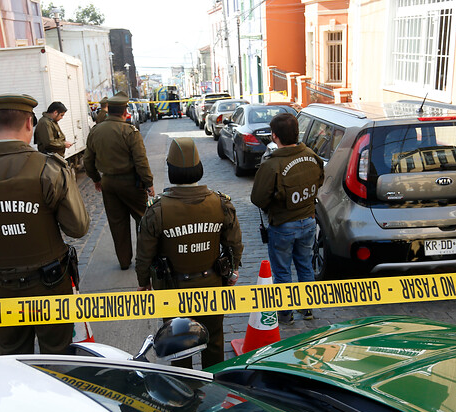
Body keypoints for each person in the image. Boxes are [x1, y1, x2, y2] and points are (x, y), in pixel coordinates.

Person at [0, 94, 89, 354]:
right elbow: (78, 227)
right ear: (29, 123)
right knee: (57, 353)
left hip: (0, 285)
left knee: (13, 356)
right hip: (49, 282)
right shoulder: (49, 169)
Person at [135, 138, 243, 369]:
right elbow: (234, 244)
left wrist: (144, 282)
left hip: (173, 290)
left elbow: (144, 254)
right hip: (212, 284)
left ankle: (184, 391)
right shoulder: (220, 204)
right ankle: (214, 386)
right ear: (199, 168)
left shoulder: (157, 211)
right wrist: (233, 272)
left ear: (171, 170)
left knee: (178, 344)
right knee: (214, 341)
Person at [250, 113, 324, 325]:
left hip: (283, 225)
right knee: (305, 265)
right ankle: (307, 309)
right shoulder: (311, 155)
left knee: (282, 271)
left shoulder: (272, 165)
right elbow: (320, 180)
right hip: (309, 221)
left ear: (275, 136)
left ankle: (285, 313)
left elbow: (257, 198)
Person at [84, 91, 154, 270]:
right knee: (143, 220)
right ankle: (145, 260)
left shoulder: (96, 131)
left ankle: (124, 261)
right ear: (125, 112)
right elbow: (140, 161)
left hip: (108, 183)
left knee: (117, 224)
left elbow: (88, 160)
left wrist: (96, 179)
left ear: (108, 112)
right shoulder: (129, 131)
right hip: (131, 183)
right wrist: (148, 183)